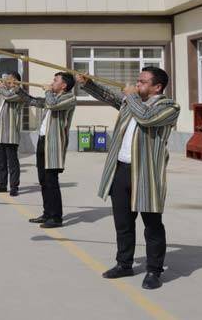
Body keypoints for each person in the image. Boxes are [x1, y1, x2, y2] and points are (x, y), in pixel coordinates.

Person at [77, 67, 179, 290]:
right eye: (138, 81)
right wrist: (87, 84)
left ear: (157, 87)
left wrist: (131, 96)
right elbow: (111, 97)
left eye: (143, 82)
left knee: (152, 224)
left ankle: (154, 270)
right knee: (123, 222)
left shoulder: (169, 107)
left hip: (147, 173)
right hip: (121, 169)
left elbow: (146, 118)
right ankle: (124, 264)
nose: (137, 84)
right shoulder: (131, 102)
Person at [21, 73, 77, 228]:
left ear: (64, 85)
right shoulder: (52, 97)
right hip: (42, 141)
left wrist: (47, 91)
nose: (52, 82)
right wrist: (17, 89)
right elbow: (32, 101)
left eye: (55, 80)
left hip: (54, 144)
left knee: (51, 181)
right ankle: (47, 213)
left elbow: (52, 104)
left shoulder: (69, 98)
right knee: (43, 181)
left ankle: (56, 217)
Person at [0, 72, 25, 196]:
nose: (6, 80)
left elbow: (8, 97)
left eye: (9, 79)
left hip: (10, 132)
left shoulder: (19, 93)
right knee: (1, 160)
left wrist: (1, 88)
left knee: (12, 162)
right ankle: (2, 184)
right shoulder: (1, 93)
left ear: (16, 81)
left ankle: (14, 186)